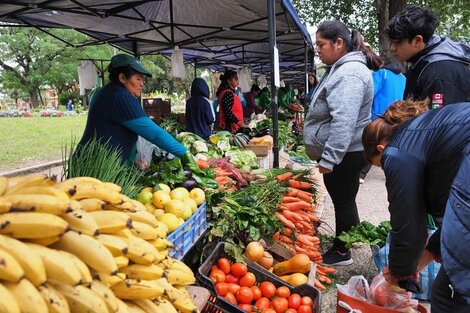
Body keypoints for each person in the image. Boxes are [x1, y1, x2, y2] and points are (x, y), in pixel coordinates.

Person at [362, 99, 470, 312]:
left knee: (451, 295)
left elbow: (409, 223)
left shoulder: (396, 153)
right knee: (446, 290)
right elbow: (455, 218)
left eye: (381, 166)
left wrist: (398, 273)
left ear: (382, 149)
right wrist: (420, 259)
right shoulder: (422, 133)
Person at [303, 20, 382, 266]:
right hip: (345, 152)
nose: (318, 49)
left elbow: (343, 121)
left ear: (339, 43)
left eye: (321, 44)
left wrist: (329, 158)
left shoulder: (349, 73)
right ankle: (346, 241)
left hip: (345, 153)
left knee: (343, 200)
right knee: (343, 199)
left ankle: (341, 252)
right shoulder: (340, 68)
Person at [77, 54, 189, 166]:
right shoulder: (120, 96)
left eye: (142, 80)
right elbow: (155, 134)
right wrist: (187, 155)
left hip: (92, 163)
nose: (142, 84)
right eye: (138, 79)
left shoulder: (109, 92)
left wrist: (132, 159)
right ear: (122, 78)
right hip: (94, 168)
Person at [387, 5, 470, 108]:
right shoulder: (421, 61)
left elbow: (438, 120)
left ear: (418, 41)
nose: (392, 48)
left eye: (397, 43)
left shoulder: (439, 72)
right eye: (391, 42)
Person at [360, 53, 406, 183]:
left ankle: (361, 174)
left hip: (378, 117)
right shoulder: (403, 77)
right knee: (391, 144)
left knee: (372, 143)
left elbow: (370, 93)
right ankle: (391, 172)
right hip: (397, 116)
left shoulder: (382, 73)